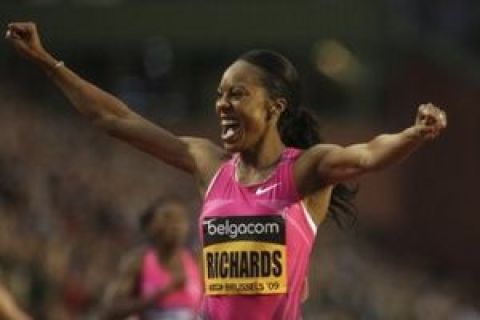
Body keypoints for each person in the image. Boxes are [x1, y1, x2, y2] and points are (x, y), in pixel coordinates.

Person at [5, 22, 447, 320]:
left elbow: (369, 154)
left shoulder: (304, 171)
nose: (222, 105)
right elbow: (115, 119)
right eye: (219, 94)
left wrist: (414, 133)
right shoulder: (208, 164)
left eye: (237, 94)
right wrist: (47, 62)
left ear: (275, 106)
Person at [100, 197, 202, 320]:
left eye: (180, 219)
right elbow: (111, 310)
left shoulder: (197, 261)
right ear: (152, 226)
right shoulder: (138, 262)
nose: (175, 225)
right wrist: (159, 294)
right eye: (167, 218)